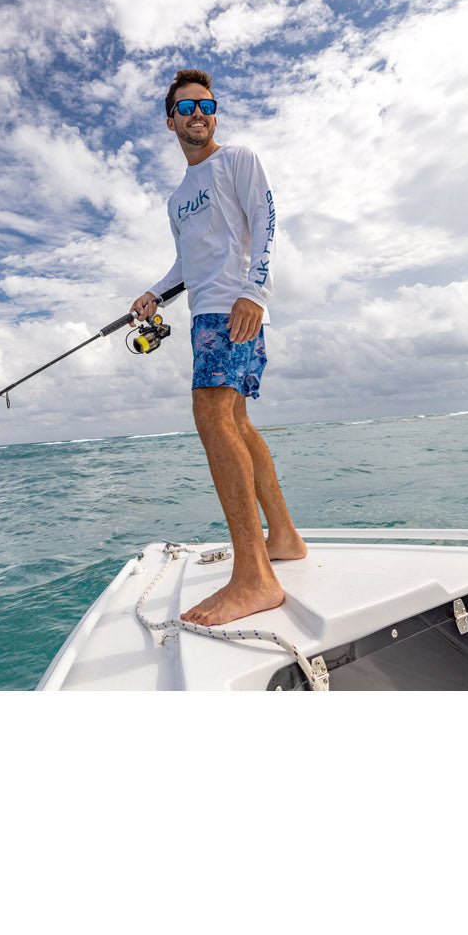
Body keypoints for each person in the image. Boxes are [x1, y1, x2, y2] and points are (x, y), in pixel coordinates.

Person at [130, 69, 307, 626]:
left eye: (206, 104)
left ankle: (254, 576)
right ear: (170, 122)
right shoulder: (176, 197)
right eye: (186, 108)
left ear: (215, 112)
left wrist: (255, 292)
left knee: (210, 414)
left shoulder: (239, 160)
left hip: (235, 306)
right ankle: (282, 537)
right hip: (201, 310)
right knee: (235, 419)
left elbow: (266, 219)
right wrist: (155, 293)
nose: (198, 114)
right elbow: (189, 261)